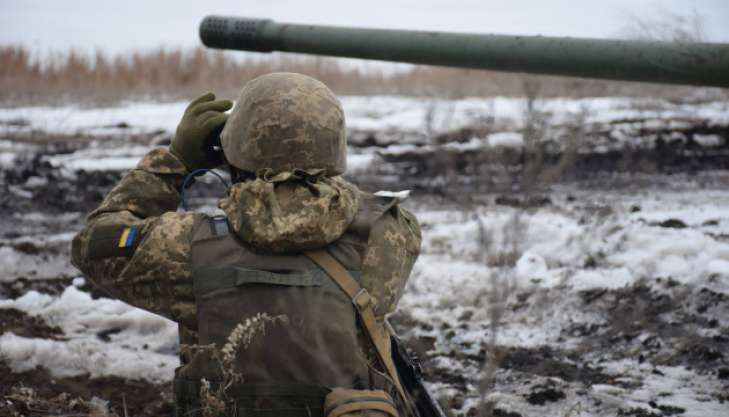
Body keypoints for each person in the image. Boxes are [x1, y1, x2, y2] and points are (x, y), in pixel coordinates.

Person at [71, 72, 422, 417]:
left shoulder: (186, 247)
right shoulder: (389, 233)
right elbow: (343, 199)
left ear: (234, 150)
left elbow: (92, 244)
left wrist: (174, 162)